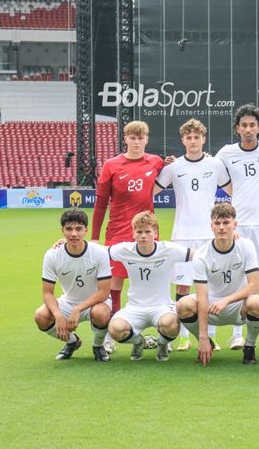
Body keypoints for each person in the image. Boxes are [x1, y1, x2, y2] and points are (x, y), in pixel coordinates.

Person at [155, 118, 231, 352]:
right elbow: (152, 190)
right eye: (189, 137)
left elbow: (232, 190)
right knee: (182, 287)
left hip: (209, 236)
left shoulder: (215, 164)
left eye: (197, 137)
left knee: (208, 286)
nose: (193, 141)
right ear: (183, 140)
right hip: (182, 236)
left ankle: (209, 335)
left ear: (203, 139)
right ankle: (183, 337)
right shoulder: (174, 166)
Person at [91, 120, 166, 354]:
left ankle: (159, 331)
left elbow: (177, 170)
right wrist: (94, 237)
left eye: (140, 137)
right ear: (125, 139)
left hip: (147, 232)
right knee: (114, 284)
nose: (136, 141)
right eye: (132, 137)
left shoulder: (155, 162)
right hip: (118, 232)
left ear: (146, 138)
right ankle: (110, 334)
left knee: (150, 280)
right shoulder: (111, 165)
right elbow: (101, 202)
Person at [215, 104, 259, 350]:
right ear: (237, 129)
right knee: (237, 277)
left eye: (252, 125)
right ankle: (236, 334)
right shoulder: (226, 152)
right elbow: (213, 171)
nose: (248, 129)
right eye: (243, 125)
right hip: (239, 224)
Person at [176, 203, 259, 366]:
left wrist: (226, 300)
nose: (222, 228)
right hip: (210, 307)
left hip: (238, 306)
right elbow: (202, 298)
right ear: (211, 227)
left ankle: (250, 346)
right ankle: (206, 343)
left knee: (257, 302)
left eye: (226, 223)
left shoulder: (246, 246)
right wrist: (203, 337)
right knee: (183, 305)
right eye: (217, 223)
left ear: (235, 225)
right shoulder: (201, 255)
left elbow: (254, 286)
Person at [107, 211, 190, 362]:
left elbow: (198, 254)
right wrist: (64, 243)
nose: (143, 235)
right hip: (134, 308)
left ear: (155, 232)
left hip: (162, 307)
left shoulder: (168, 249)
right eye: (139, 232)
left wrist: (229, 240)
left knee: (171, 325)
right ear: (133, 233)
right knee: (115, 329)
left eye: (147, 231)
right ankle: (139, 342)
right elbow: (96, 253)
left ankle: (162, 343)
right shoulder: (125, 250)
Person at [34, 209, 112, 362]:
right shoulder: (52, 255)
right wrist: (58, 315)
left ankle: (98, 346)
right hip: (68, 302)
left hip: (96, 302)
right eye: (69, 229)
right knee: (41, 316)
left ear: (86, 230)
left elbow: (104, 292)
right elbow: (47, 293)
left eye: (78, 229)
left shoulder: (99, 252)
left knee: (101, 314)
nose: (74, 234)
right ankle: (72, 342)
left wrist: (78, 309)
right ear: (62, 231)